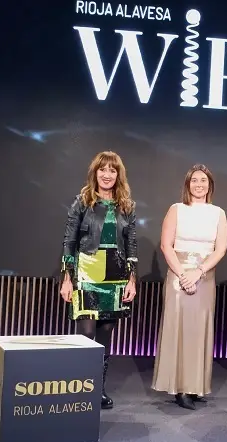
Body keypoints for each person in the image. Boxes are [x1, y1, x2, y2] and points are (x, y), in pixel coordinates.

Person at [59, 150, 138, 410]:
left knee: (105, 336)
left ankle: (97, 389)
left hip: (115, 277)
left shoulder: (127, 205)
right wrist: (67, 277)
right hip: (85, 273)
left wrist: (131, 280)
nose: (107, 175)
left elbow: (131, 244)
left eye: (112, 170)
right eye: (102, 169)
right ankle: (79, 387)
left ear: (118, 175)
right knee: (86, 336)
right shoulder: (82, 201)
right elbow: (69, 241)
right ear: (95, 172)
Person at [151, 164, 227, 410]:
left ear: (210, 185)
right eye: (194, 180)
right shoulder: (176, 209)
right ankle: (180, 387)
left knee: (199, 331)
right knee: (179, 330)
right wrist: (184, 275)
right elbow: (166, 245)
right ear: (187, 184)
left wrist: (198, 272)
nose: (199, 184)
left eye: (203, 180)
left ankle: (196, 386)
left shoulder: (219, 213)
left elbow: (221, 249)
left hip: (204, 277)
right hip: (178, 277)